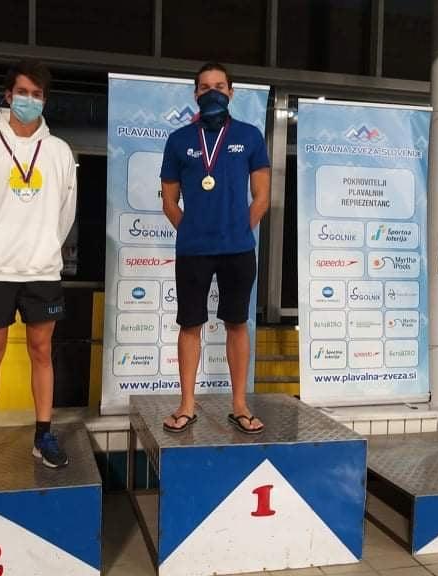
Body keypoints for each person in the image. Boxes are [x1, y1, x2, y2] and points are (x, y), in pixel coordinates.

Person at [0, 59, 77, 474]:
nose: (29, 100)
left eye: (37, 94)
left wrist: (44, 247)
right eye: (23, 92)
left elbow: (65, 213)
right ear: (8, 95)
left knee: (42, 353)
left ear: (45, 99)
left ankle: (43, 436)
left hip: (42, 271)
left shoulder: (58, 151)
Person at [159, 62, 271, 434]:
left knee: (237, 323)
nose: (212, 93)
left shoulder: (250, 136)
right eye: (205, 87)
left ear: (231, 92)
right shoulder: (178, 140)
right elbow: (169, 201)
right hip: (193, 250)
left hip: (238, 249)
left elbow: (262, 197)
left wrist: (237, 229)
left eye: (219, 86)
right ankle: (186, 405)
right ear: (196, 94)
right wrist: (193, 229)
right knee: (190, 324)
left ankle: (239, 405)